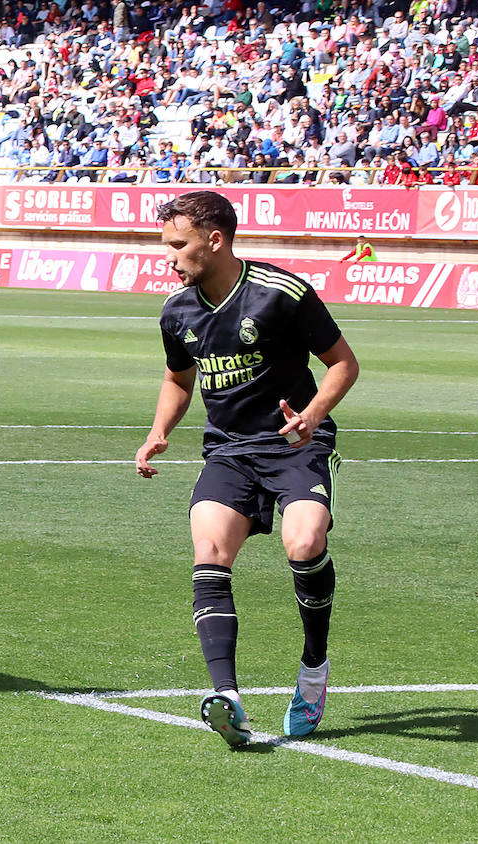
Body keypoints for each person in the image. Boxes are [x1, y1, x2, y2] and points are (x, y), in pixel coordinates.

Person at [134, 191, 359, 748]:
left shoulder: (281, 294)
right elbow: (177, 379)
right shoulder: (177, 310)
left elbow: (343, 364)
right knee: (209, 552)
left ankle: (313, 670)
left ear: (215, 240)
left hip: (295, 445)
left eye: (178, 245)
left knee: (304, 542)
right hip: (228, 451)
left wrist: (310, 416)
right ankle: (227, 696)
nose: (169, 257)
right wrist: (159, 430)